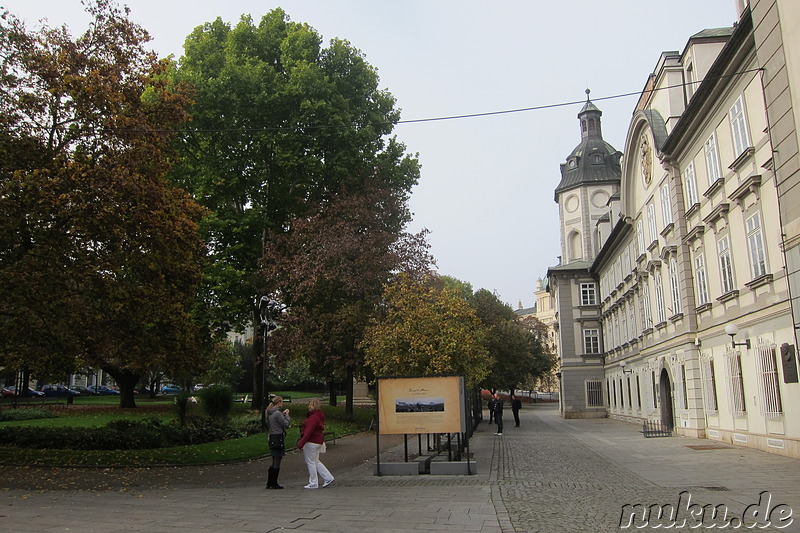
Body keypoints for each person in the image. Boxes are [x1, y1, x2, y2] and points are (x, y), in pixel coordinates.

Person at [297, 397, 334, 489]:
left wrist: (300, 444)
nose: (308, 406)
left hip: (311, 441)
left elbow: (308, 432)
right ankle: (328, 477)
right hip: (317, 441)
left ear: (314, 405)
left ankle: (313, 482)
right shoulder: (318, 416)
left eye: (310, 404)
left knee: (310, 462)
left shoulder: (313, 417)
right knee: (315, 461)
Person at [266, 395, 291, 489]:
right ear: (279, 402)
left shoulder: (270, 413)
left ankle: (269, 482)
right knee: (278, 460)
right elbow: (286, 424)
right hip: (278, 437)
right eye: (282, 401)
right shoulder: (277, 413)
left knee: (274, 459)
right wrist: (287, 416)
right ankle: (274, 483)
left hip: (272, 437)